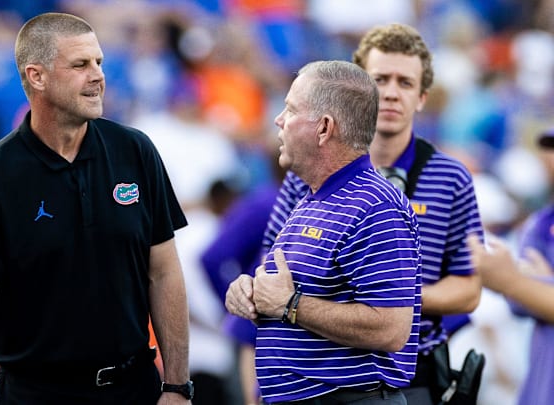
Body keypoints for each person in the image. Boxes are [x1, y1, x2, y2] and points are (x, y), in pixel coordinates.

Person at [0, 13, 193, 404]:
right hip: (35, 393)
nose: (97, 76)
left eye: (99, 63)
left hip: (134, 387)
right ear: (36, 76)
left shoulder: (135, 151)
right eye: (80, 65)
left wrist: (177, 386)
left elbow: (163, 272)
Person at [257, 23, 484, 405]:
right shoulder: (308, 173)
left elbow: (469, 288)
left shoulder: (450, 177)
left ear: (423, 97)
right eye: (380, 79)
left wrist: (385, 297)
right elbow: (272, 267)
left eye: (405, 83)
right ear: (359, 89)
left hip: (408, 369)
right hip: (314, 370)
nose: (392, 94)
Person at [225, 60, 422, 404]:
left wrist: (290, 305)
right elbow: (295, 295)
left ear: (324, 128)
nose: (278, 119)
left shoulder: (375, 204)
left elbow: (392, 328)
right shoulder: (311, 198)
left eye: (290, 109)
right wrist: (252, 294)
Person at [466, 128, 554, 405]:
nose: (549, 158)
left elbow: (517, 286)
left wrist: (512, 281)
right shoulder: (543, 221)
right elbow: (521, 302)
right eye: (549, 148)